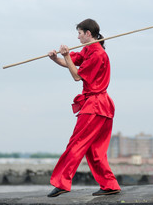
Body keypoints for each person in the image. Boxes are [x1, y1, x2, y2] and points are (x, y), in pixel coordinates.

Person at [47, 18, 121, 197]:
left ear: (88, 33)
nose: (78, 38)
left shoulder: (98, 55)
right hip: (102, 106)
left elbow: (77, 76)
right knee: (95, 149)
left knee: (77, 143)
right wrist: (56, 58)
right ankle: (110, 185)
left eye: (80, 34)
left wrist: (65, 56)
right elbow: (72, 63)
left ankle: (63, 182)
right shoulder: (89, 50)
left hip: (95, 105)